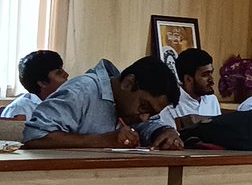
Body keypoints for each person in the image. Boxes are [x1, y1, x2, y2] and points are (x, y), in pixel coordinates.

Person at [22, 56, 183, 149]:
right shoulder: (82, 91)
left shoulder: (133, 107)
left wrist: (165, 132)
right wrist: (103, 140)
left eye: (152, 114)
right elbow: (34, 137)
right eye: (144, 107)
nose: (143, 117)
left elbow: (148, 125)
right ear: (128, 83)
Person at [160, 47, 221, 129]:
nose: (211, 79)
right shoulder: (171, 105)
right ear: (188, 79)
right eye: (205, 75)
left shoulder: (212, 100)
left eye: (211, 73)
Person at [2, 50, 69, 120]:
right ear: (43, 83)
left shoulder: (61, 103)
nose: (66, 75)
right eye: (59, 73)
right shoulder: (19, 110)